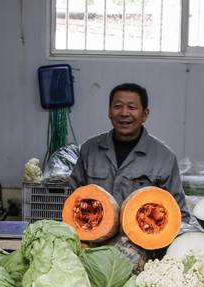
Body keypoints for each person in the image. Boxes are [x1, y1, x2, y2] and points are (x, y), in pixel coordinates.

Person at [69, 82, 190, 222]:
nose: (124, 113)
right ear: (109, 111)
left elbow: (180, 214)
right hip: (92, 240)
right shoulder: (90, 149)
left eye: (132, 107)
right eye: (118, 106)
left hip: (143, 241)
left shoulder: (164, 157)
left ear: (145, 114)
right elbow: (72, 199)